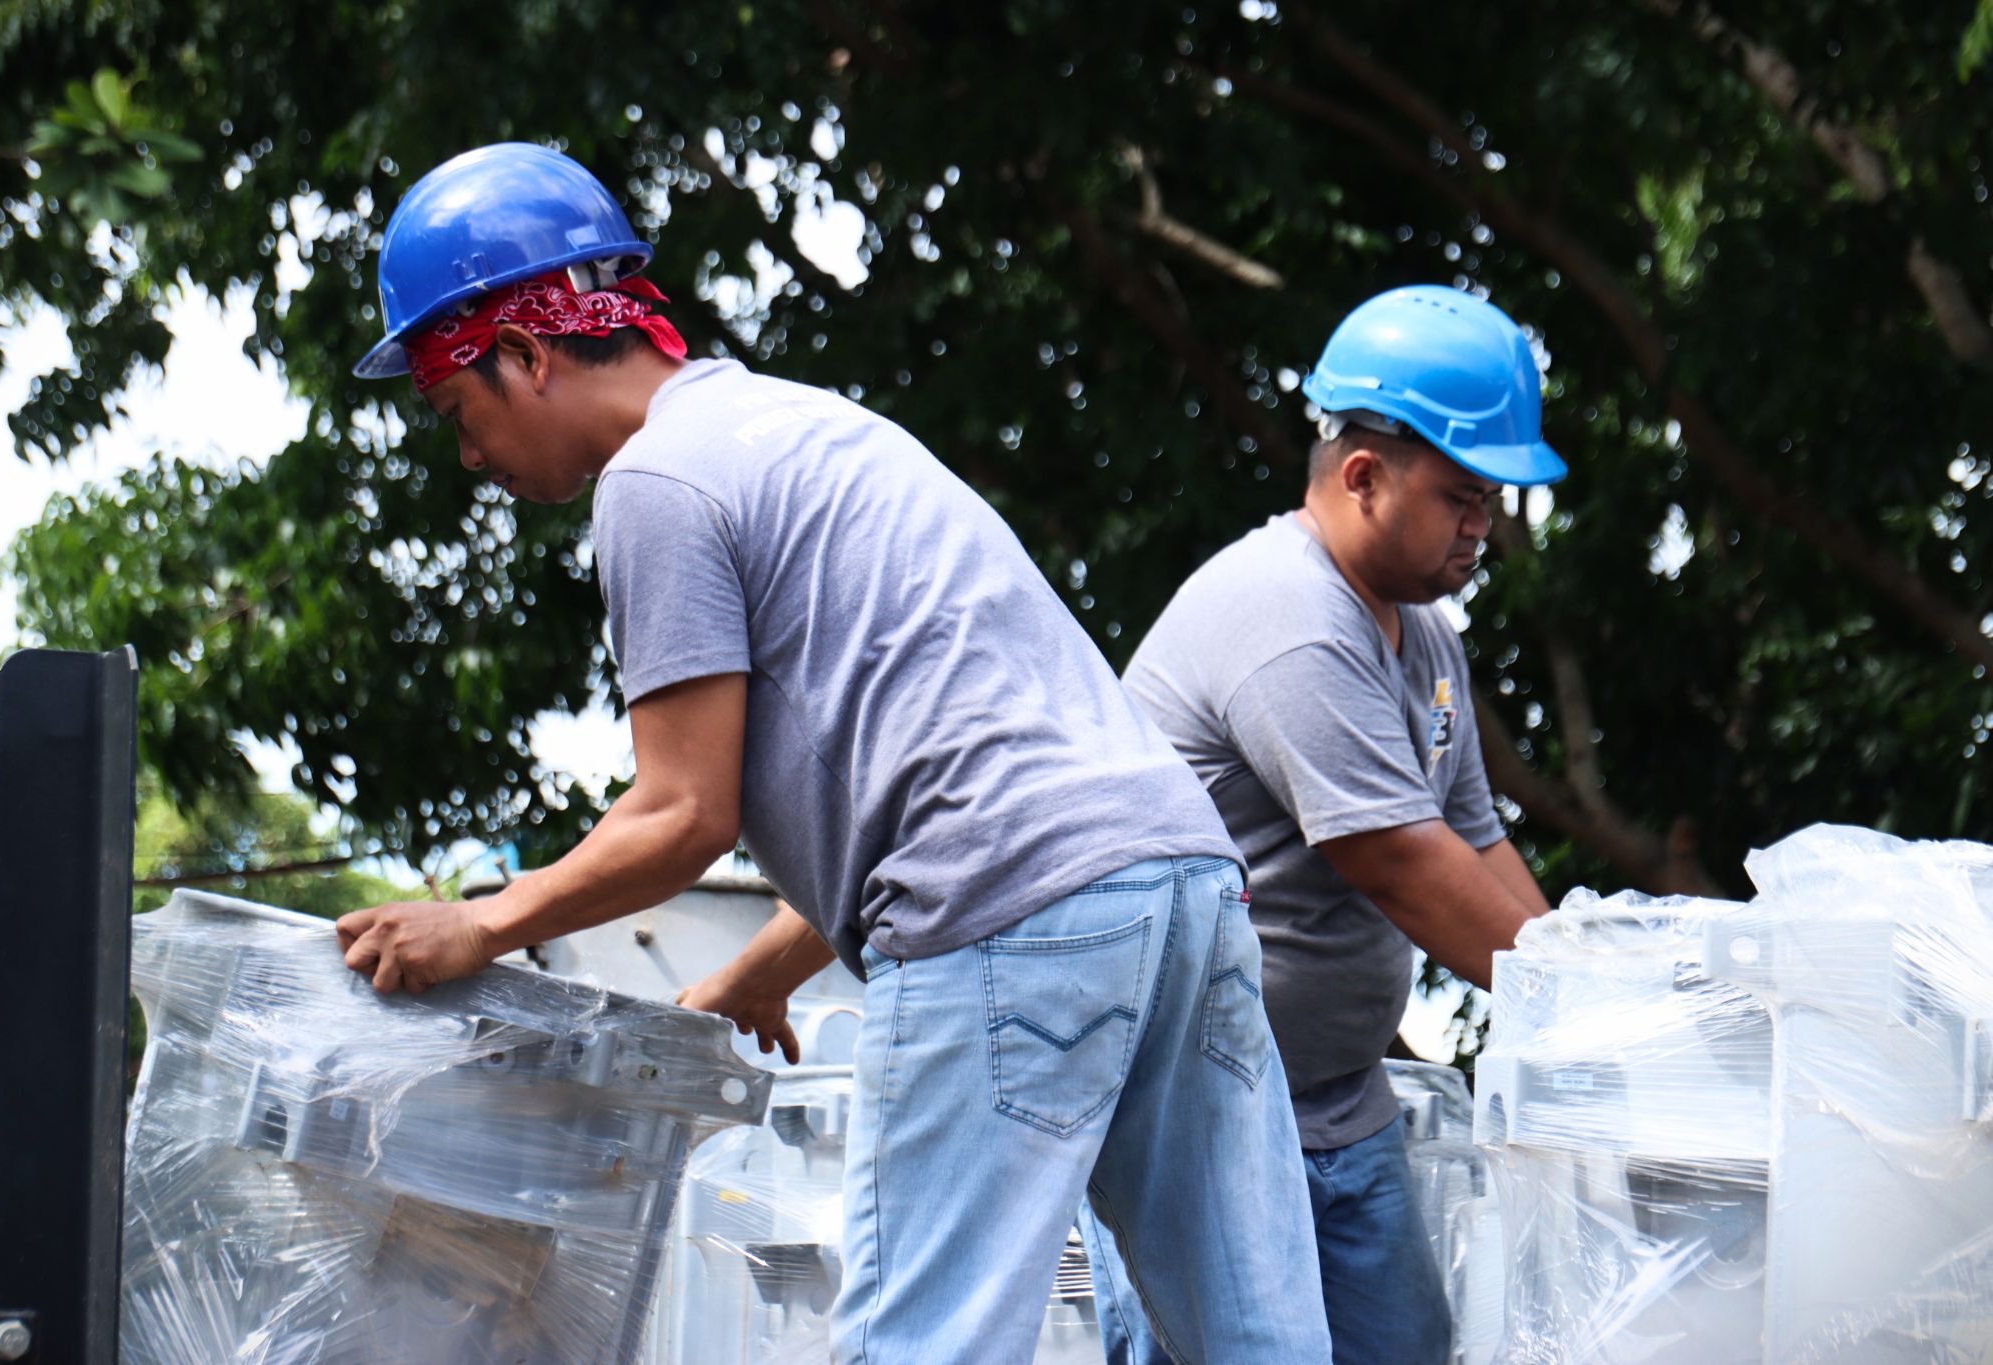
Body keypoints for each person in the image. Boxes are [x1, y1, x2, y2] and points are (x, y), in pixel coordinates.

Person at [330, 143, 1329, 1363]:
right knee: (1256, 1340)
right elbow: (957, 768)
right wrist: (768, 968)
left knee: (925, 1343)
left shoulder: (651, 484)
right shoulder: (805, 424)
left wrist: (482, 921)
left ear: (527, 357)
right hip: (1179, 882)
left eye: (456, 412)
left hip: (1007, 914)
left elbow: (679, 816)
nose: (470, 456)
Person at [1104, 285, 1563, 1365]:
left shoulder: (1422, 637)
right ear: (1362, 476)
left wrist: (1587, 982)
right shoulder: (1288, 618)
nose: (1480, 526)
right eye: (1460, 496)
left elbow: (1474, 845)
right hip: (1197, 1112)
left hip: (1332, 1102)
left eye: (1489, 501)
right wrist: (1579, 1004)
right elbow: (1396, 863)